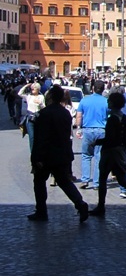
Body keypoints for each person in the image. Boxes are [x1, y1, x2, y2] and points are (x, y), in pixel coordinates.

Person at [28, 85, 90, 222]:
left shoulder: (44, 114)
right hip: (62, 153)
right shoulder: (65, 113)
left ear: (49, 97)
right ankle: (81, 204)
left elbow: (41, 137)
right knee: (65, 182)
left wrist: (36, 157)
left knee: (39, 182)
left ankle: (41, 211)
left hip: (46, 154)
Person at [89, 92, 126, 218]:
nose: (108, 103)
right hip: (120, 151)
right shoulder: (124, 117)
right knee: (123, 179)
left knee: (103, 179)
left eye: (109, 101)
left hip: (110, 152)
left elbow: (110, 138)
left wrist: (97, 142)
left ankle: (101, 206)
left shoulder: (112, 119)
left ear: (113, 103)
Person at [75, 80, 109, 190]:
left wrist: (78, 128)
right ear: (103, 89)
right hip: (101, 130)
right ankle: (97, 182)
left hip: (88, 129)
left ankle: (85, 179)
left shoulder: (85, 100)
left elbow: (79, 116)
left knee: (86, 155)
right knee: (99, 156)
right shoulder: (106, 102)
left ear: (93, 88)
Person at [20, 82, 45, 151]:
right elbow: (20, 94)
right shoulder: (29, 96)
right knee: (32, 137)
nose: (32, 90)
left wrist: (40, 103)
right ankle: (32, 152)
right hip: (30, 119)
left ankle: (38, 151)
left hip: (38, 118)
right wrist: (26, 86)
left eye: (34, 88)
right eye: (32, 88)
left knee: (38, 136)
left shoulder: (41, 97)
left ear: (38, 89)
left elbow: (44, 108)